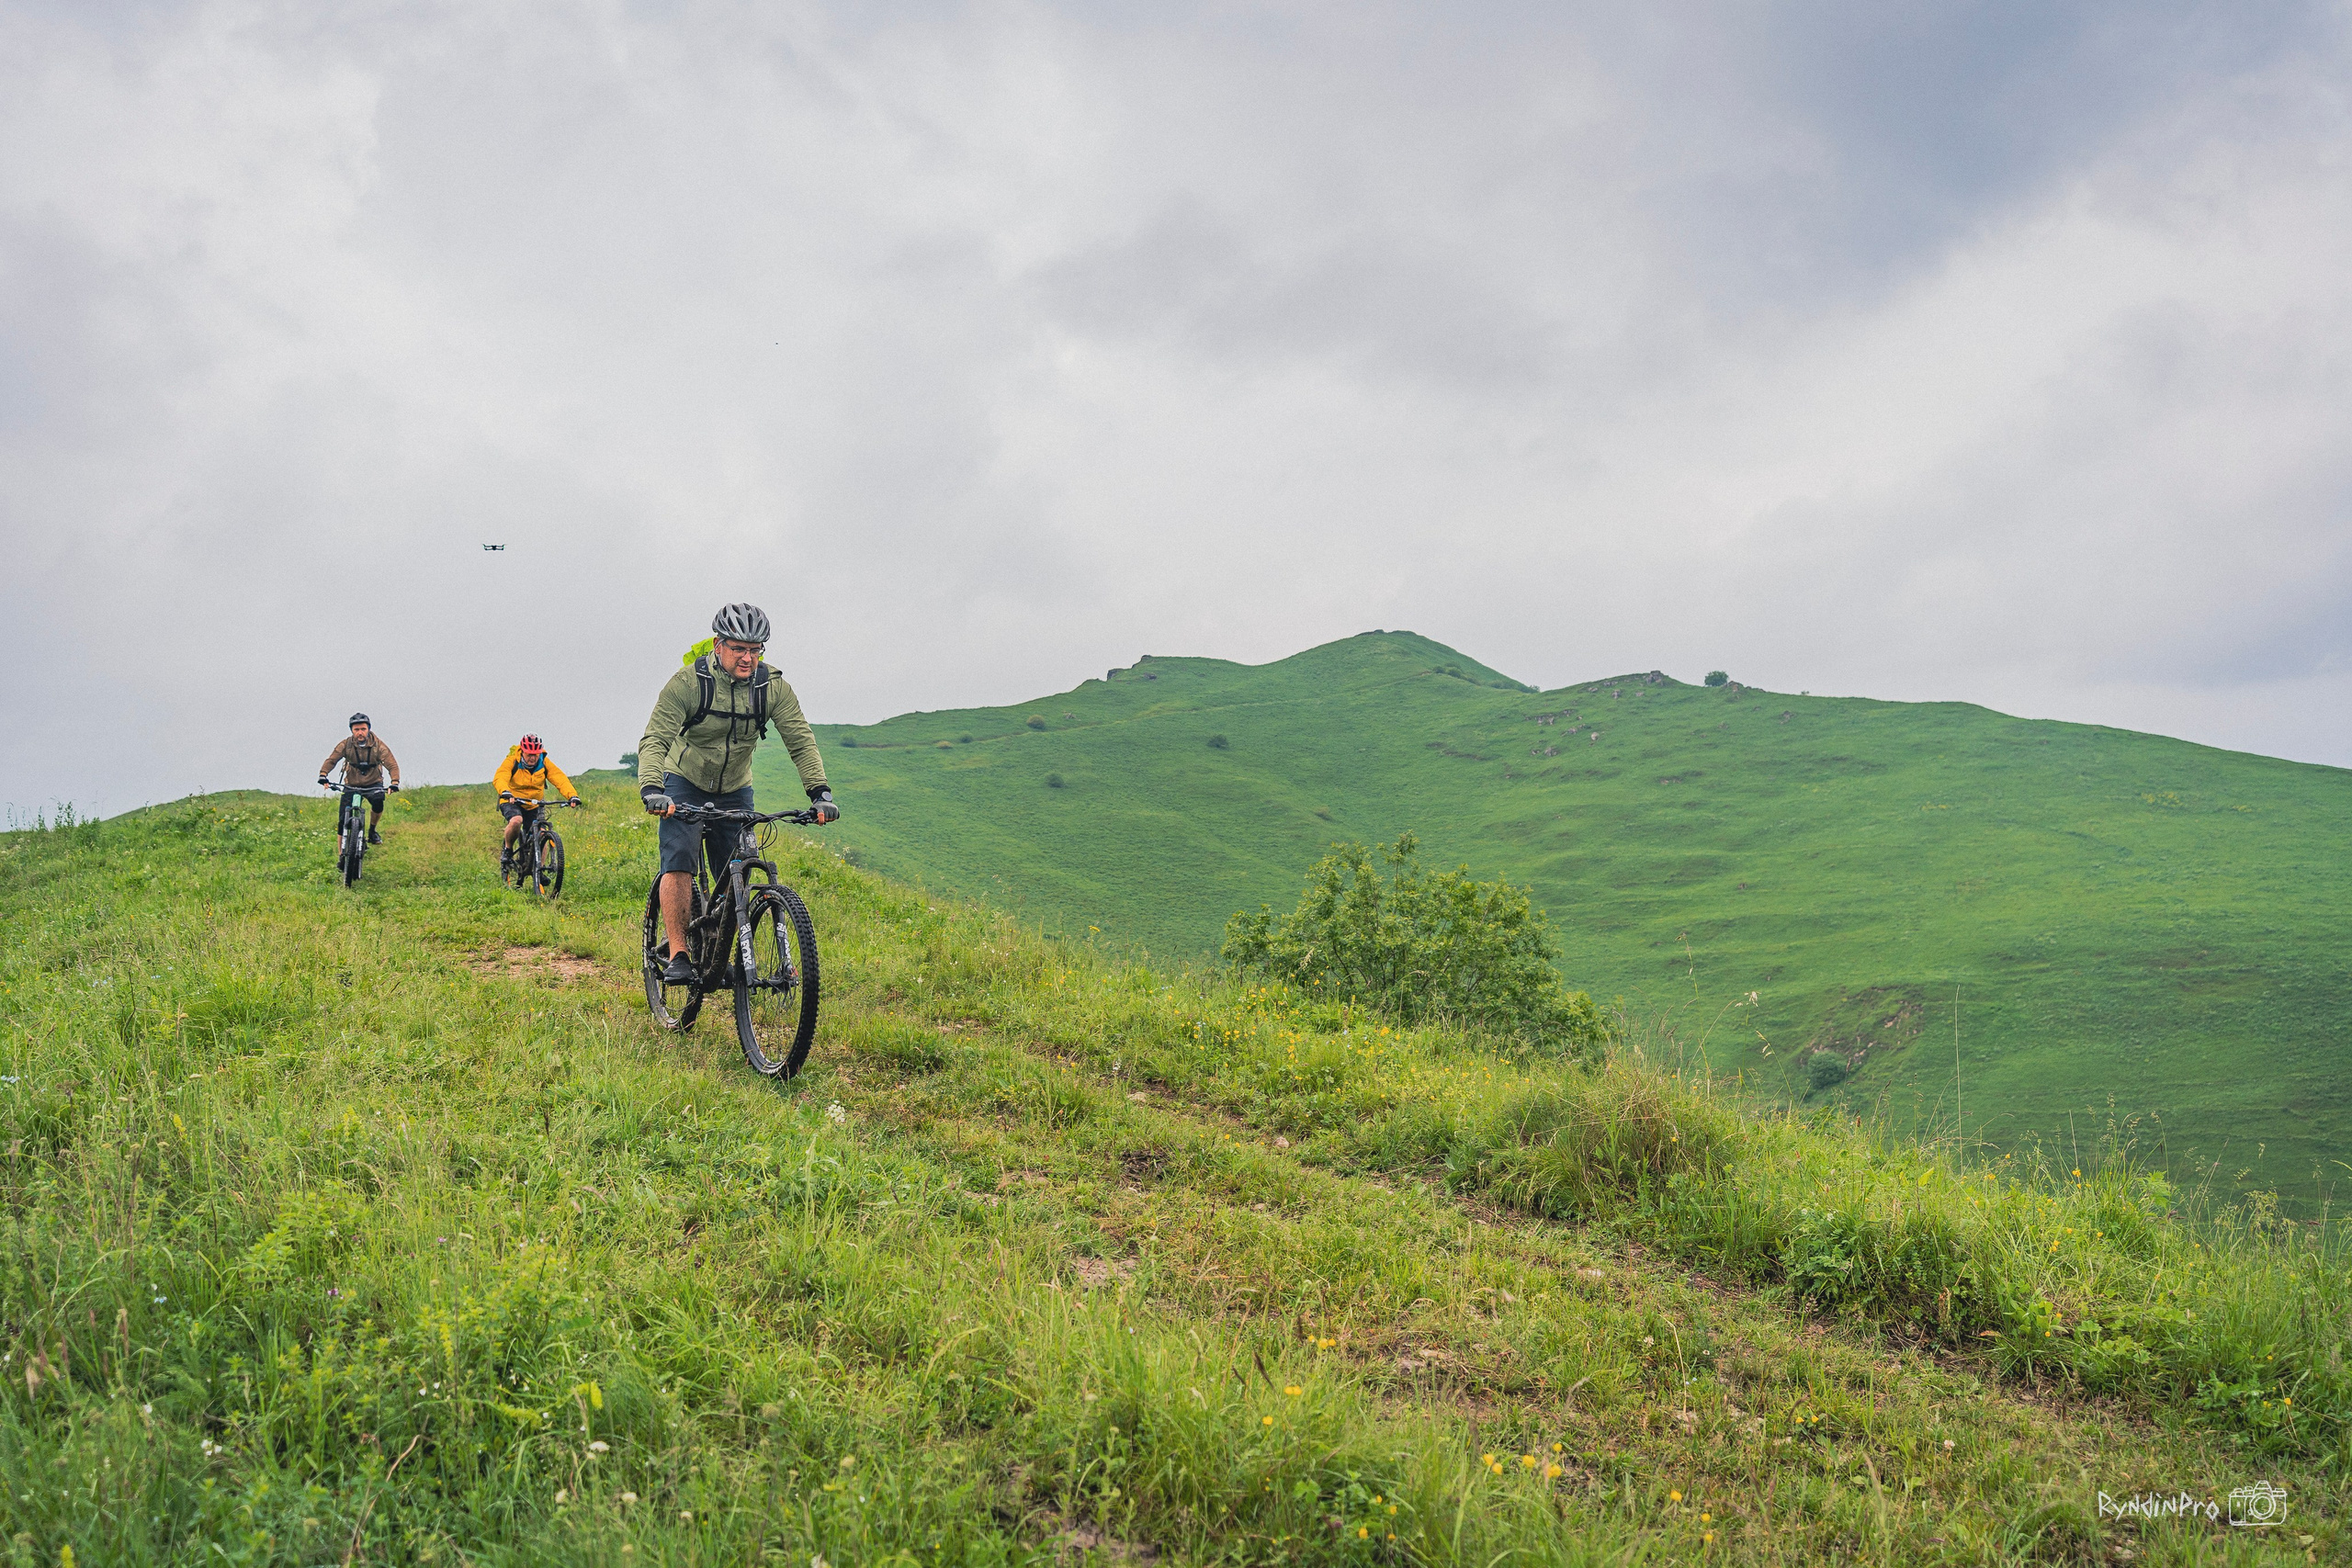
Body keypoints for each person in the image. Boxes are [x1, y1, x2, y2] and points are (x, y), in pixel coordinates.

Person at [639, 603, 838, 984]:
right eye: (739, 649)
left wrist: (820, 793)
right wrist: (653, 789)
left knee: (737, 874)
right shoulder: (688, 684)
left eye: (755, 649)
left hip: (734, 787)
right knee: (679, 859)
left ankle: (717, 950)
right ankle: (679, 953)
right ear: (719, 645)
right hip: (683, 781)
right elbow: (656, 738)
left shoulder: (771, 687)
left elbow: (800, 740)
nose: (748, 658)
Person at [494, 734, 582, 872]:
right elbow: (501, 776)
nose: (533, 758)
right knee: (516, 821)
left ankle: (539, 871)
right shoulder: (512, 761)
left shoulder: (544, 763)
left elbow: (559, 778)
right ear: (522, 751)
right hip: (512, 799)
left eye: (536, 754)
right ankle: (508, 849)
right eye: (529, 754)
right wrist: (505, 791)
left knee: (541, 834)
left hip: (534, 803)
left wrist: (572, 796)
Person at [318, 713, 401, 843]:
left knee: (378, 802)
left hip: (373, 782)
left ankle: (372, 831)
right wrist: (323, 775)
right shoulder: (345, 744)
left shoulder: (379, 746)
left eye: (363, 729)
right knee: (342, 820)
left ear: (368, 729)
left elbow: (392, 765)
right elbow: (332, 760)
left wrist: (394, 782)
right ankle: (341, 854)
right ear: (352, 730)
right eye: (356, 729)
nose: (360, 732)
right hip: (352, 783)